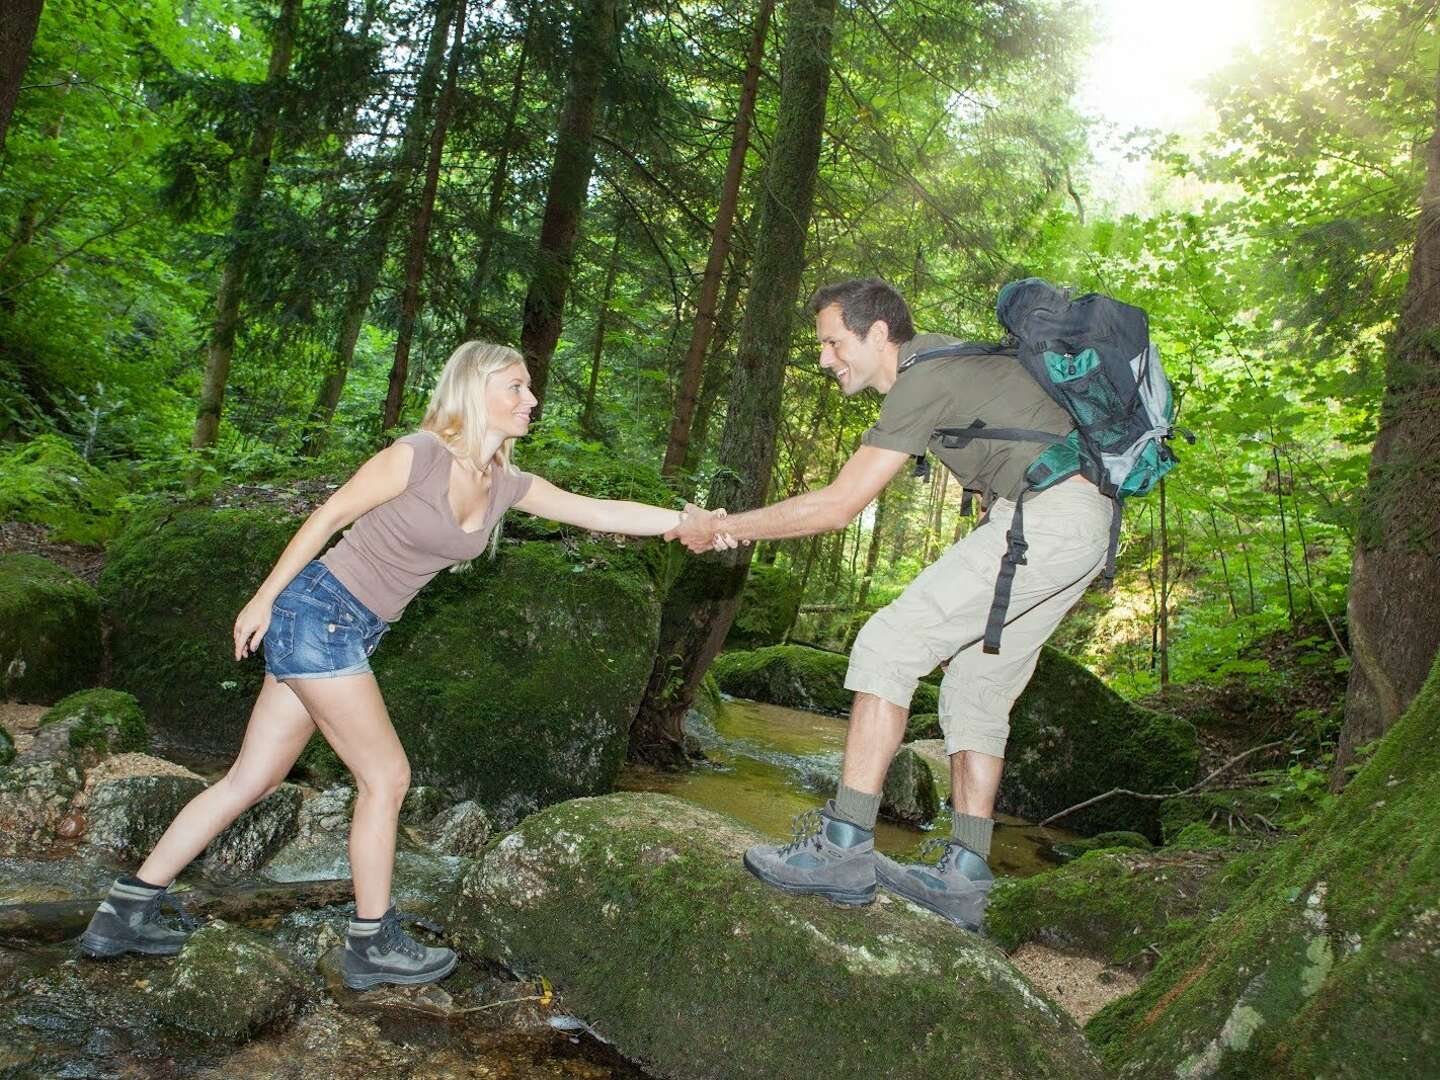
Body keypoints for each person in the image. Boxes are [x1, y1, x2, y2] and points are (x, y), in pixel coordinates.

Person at [81, 341, 723, 988]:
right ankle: (372, 942)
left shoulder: (506, 484)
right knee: (387, 777)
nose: (531, 399)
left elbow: (600, 511)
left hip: (349, 632)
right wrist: (263, 598)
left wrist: (686, 520)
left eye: (530, 388)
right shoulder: (416, 456)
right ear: (475, 390)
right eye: (516, 386)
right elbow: (329, 514)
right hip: (317, 616)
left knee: (250, 781)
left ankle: (124, 911)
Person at [669, 278, 1111, 930]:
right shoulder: (949, 365)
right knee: (977, 688)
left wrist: (724, 525)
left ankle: (843, 847)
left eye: (832, 341)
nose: (824, 359)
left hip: (1048, 520)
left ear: (878, 334)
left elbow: (837, 505)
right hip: (1083, 522)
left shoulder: (923, 377)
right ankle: (966, 875)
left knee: (887, 644)